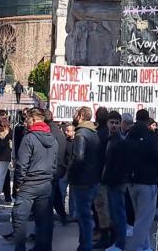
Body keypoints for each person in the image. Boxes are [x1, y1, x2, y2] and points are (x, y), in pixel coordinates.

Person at [12, 107, 57, 251]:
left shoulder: (29, 138)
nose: (25, 122)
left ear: (34, 119)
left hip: (29, 184)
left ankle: (20, 248)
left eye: (27, 119)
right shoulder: (53, 138)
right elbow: (55, 163)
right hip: (46, 184)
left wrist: (18, 183)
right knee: (44, 221)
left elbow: (21, 164)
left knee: (19, 218)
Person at [127, 109, 158, 251]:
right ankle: (138, 247)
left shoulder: (129, 136)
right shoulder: (149, 138)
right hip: (147, 181)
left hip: (131, 181)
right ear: (147, 120)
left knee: (139, 217)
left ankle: (145, 246)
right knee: (144, 220)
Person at [68, 106, 103, 251]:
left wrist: (70, 171)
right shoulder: (94, 133)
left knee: (84, 217)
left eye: (76, 113)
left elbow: (79, 157)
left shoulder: (81, 134)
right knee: (85, 215)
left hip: (82, 181)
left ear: (81, 115)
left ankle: (85, 246)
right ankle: (84, 244)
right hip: (92, 179)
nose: (74, 116)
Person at [102, 111, 128, 251]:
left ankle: (120, 244)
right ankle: (117, 242)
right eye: (111, 122)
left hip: (117, 181)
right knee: (114, 213)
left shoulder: (120, 140)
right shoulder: (110, 139)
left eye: (116, 123)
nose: (113, 125)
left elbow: (120, 164)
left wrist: (110, 178)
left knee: (118, 214)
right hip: (112, 181)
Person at [45, 110, 68, 225]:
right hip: (58, 168)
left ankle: (45, 226)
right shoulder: (58, 131)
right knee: (56, 194)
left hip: (51, 169)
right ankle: (62, 215)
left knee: (48, 199)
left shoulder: (49, 133)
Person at [94, 106, 112, 249]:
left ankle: (106, 236)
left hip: (101, 175)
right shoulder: (107, 133)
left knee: (103, 208)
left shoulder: (101, 133)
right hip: (105, 175)